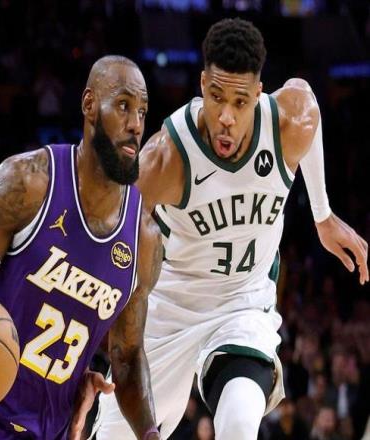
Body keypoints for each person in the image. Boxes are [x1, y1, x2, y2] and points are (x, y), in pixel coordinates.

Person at [95, 18, 368, 440]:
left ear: (258, 95)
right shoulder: (166, 159)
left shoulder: (286, 124)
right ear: (202, 85)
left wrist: (323, 214)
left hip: (242, 305)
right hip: (170, 309)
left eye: (240, 102)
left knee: (239, 423)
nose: (226, 116)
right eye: (216, 97)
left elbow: (308, 103)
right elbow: (109, 238)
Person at [0, 55, 162, 440]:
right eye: (123, 105)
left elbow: (126, 358)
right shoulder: (27, 182)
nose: (136, 125)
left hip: (44, 431)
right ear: (89, 105)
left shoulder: (144, 239)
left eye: (142, 111)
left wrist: (150, 433)